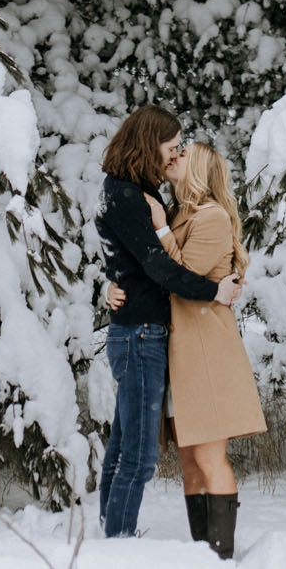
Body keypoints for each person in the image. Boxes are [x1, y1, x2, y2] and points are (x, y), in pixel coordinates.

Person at [95, 105, 242, 540]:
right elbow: (158, 267)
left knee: (131, 449)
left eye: (182, 151)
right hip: (142, 333)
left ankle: (122, 539)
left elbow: (152, 263)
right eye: (171, 148)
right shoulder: (131, 195)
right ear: (149, 144)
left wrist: (117, 281)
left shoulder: (154, 199)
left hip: (165, 337)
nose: (174, 156)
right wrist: (111, 285)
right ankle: (116, 543)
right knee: (137, 455)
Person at [158, 142, 266, 561]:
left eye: (182, 154)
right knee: (188, 460)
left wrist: (161, 231)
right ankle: (202, 556)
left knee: (207, 455)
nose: (173, 158)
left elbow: (180, 274)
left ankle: (220, 557)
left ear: (199, 168)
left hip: (205, 350)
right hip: (179, 352)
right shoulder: (177, 216)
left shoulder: (213, 218)